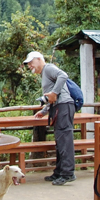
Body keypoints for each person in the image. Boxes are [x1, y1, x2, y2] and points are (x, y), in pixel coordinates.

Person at [24, 50, 76, 186]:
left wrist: (54, 92)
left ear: (39, 59)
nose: (29, 66)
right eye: (28, 64)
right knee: (60, 141)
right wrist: (45, 110)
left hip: (64, 107)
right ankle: (59, 172)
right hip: (58, 107)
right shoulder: (44, 74)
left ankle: (67, 173)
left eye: (31, 62)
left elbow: (63, 76)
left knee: (64, 140)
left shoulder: (48, 68)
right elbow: (52, 98)